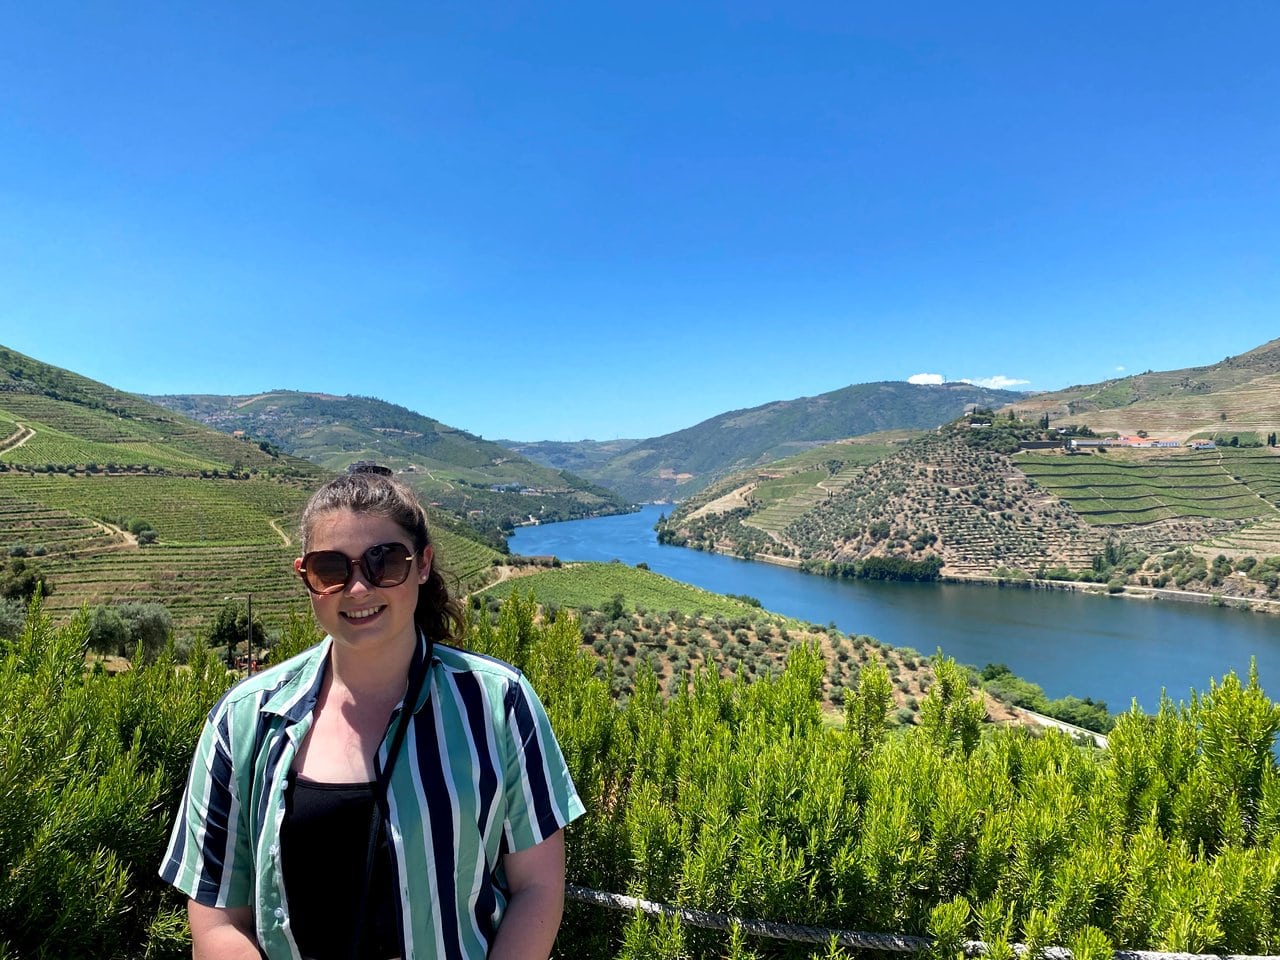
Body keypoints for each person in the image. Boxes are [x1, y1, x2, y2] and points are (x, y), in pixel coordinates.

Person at [161, 470, 584, 959]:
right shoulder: (244, 721)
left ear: (422, 565)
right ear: (306, 576)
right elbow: (216, 920)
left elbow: (538, 887)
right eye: (331, 569)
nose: (358, 589)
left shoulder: (497, 703)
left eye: (384, 562)